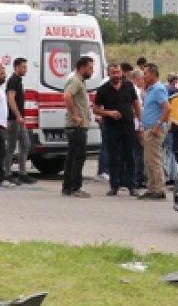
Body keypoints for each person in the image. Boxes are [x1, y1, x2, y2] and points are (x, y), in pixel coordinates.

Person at [93, 62, 141, 197]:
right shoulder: (103, 89)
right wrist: (109, 113)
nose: (116, 75)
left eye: (118, 72)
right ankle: (114, 185)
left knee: (130, 155)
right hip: (111, 127)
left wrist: (141, 123)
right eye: (113, 73)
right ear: (109, 74)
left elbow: (136, 104)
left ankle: (132, 185)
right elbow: (95, 109)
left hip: (128, 126)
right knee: (114, 156)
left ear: (122, 73)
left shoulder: (128, 86)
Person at [61, 56, 94, 198]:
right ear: (82, 67)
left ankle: (67, 187)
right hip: (76, 126)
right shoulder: (75, 80)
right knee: (78, 157)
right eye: (90, 68)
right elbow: (67, 96)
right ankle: (75, 187)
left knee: (72, 156)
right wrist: (74, 115)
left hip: (77, 126)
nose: (91, 71)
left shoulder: (80, 81)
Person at [138, 63, 171, 200]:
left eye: (146, 73)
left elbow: (167, 108)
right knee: (148, 160)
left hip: (154, 129)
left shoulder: (158, 89)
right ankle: (151, 188)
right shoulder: (151, 89)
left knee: (154, 160)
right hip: (148, 128)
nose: (143, 76)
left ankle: (159, 189)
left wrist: (158, 125)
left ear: (153, 74)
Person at [4, 57, 35, 185]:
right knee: (11, 147)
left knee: (25, 144)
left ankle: (23, 173)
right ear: (16, 67)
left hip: (20, 120)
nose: (25, 69)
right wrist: (17, 116)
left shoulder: (19, 81)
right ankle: (7, 173)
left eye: (26, 67)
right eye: (23, 67)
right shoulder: (12, 81)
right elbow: (10, 99)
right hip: (14, 120)